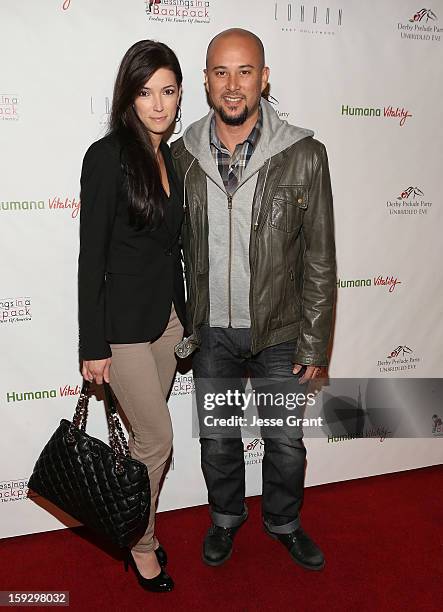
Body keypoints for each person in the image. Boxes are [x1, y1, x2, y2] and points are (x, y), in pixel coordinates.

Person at [171, 29, 336, 570]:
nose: (233, 84)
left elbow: (319, 258)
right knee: (218, 443)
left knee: (286, 444)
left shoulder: (304, 155)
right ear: (206, 82)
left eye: (245, 71)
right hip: (212, 330)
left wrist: (315, 342)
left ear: (264, 79)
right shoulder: (182, 157)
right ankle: (225, 519)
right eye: (221, 72)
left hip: (282, 331)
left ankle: (284, 522)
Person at [78, 40, 186, 593]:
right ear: (128, 95)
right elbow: (90, 257)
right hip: (119, 332)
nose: (158, 103)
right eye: (146, 92)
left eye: (168, 91)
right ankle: (140, 545)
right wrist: (91, 345)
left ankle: (140, 524)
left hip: (164, 325)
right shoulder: (107, 156)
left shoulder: (171, 156)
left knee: (149, 447)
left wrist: (184, 319)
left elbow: (171, 249)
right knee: (159, 440)